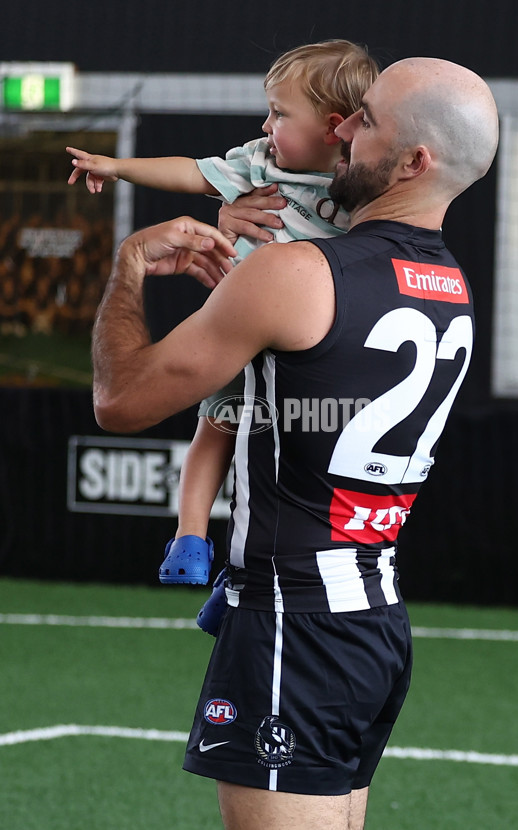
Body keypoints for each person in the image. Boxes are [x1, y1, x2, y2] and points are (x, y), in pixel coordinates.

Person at [91, 57, 499, 830]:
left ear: (415, 161)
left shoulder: (296, 274)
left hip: (293, 623)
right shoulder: (453, 290)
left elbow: (120, 400)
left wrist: (132, 264)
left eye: (365, 120)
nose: (342, 127)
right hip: (374, 618)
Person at [66, 40, 380, 599]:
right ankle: (189, 538)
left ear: (335, 128)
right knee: (215, 429)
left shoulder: (362, 184)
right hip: (244, 330)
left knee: (290, 462)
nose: (266, 123)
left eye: (281, 114)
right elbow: (190, 172)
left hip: (313, 349)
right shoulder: (260, 162)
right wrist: (115, 167)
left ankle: (243, 583)